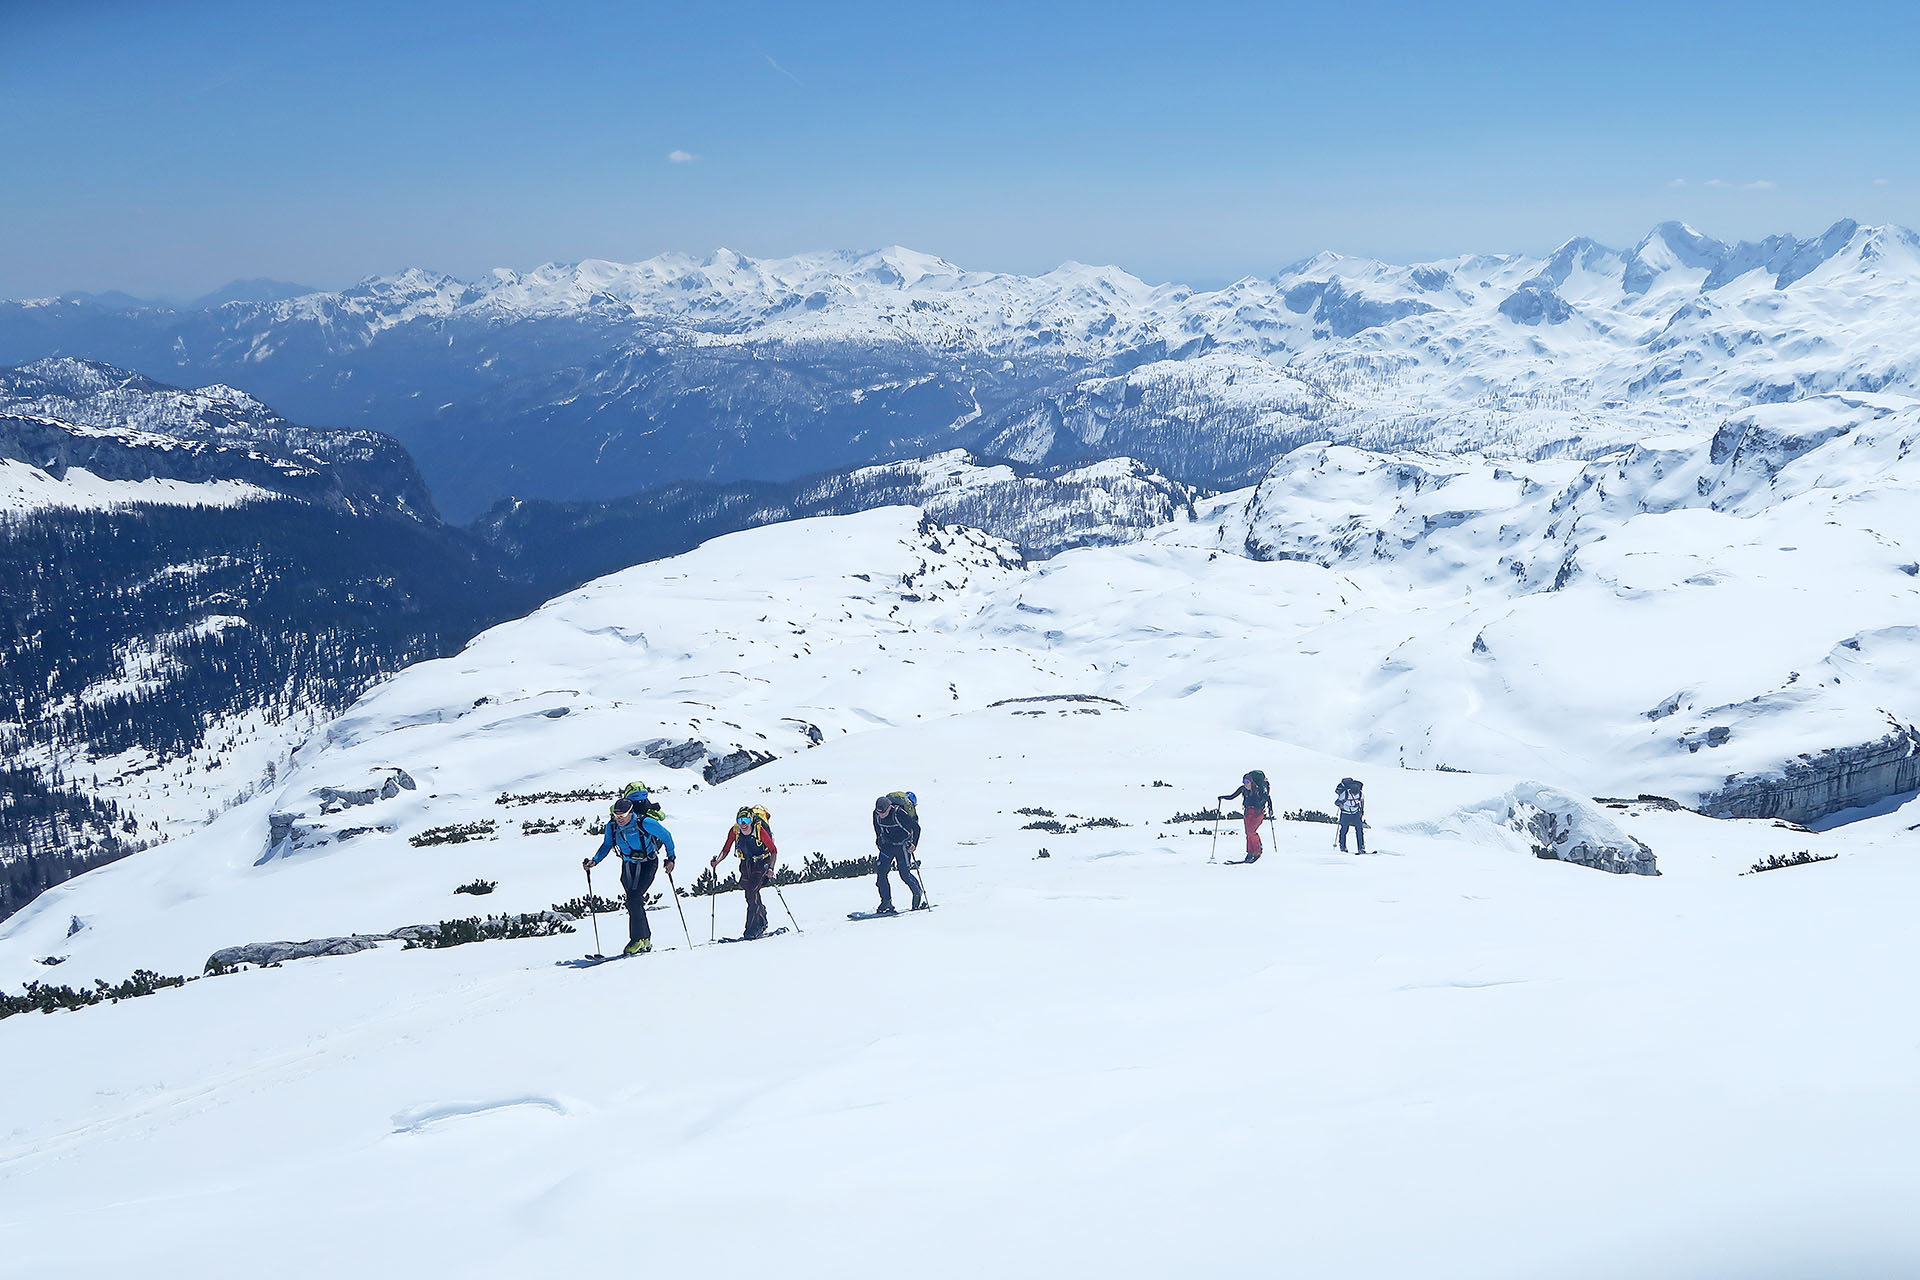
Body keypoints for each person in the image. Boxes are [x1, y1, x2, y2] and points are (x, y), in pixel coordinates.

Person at [584, 792, 676, 955]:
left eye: (623, 814)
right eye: (616, 814)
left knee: (634, 899)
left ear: (631, 812)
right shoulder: (612, 827)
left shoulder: (645, 822)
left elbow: (666, 836)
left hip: (648, 863)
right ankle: (645, 939)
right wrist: (595, 860)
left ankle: (637, 940)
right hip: (628, 865)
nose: (619, 818)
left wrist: (671, 858)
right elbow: (606, 845)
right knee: (634, 901)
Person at [710, 806, 778, 939]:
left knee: (751, 892)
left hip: (761, 862)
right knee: (749, 890)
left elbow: (773, 850)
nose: (743, 823)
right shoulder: (735, 830)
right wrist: (717, 861)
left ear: (751, 820)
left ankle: (752, 929)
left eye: (746, 819)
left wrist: (771, 868)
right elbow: (726, 849)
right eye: (740, 820)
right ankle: (761, 918)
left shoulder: (760, 830)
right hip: (746, 863)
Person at [871, 792, 924, 914]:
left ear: (889, 807)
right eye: (879, 812)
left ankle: (917, 893)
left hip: (903, 845)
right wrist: (879, 839)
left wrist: (914, 844)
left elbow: (916, 828)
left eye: (883, 812)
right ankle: (886, 901)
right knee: (881, 873)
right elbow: (877, 827)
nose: (881, 815)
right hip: (888, 845)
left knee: (905, 874)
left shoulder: (899, 813)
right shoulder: (876, 814)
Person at [1218, 769, 1272, 862]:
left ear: (1252, 782)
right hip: (1248, 812)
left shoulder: (1259, 790)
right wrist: (1222, 797)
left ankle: (1257, 850)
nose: (1245, 784)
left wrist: (1270, 809)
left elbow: (1267, 798)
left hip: (1258, 813)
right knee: (1248, 833)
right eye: (1244, 782)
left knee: (1251, 832)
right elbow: (1232, 796)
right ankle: (1250, 852)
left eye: (1247, 782)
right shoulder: (1243, 789)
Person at [1335, 777, 1366, 854]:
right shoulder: (1345, 793)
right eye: (1354, 793)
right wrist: (1340, 805)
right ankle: (1343, 846)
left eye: (1356, 793)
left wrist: (1362, 810)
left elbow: (1362, 800)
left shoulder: (1360, 794)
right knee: (1344, 830)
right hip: (1345, 813)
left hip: (1355, 813)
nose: (1355, 795)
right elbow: (1336, 802)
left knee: (1359, 830)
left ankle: (1361, 847)